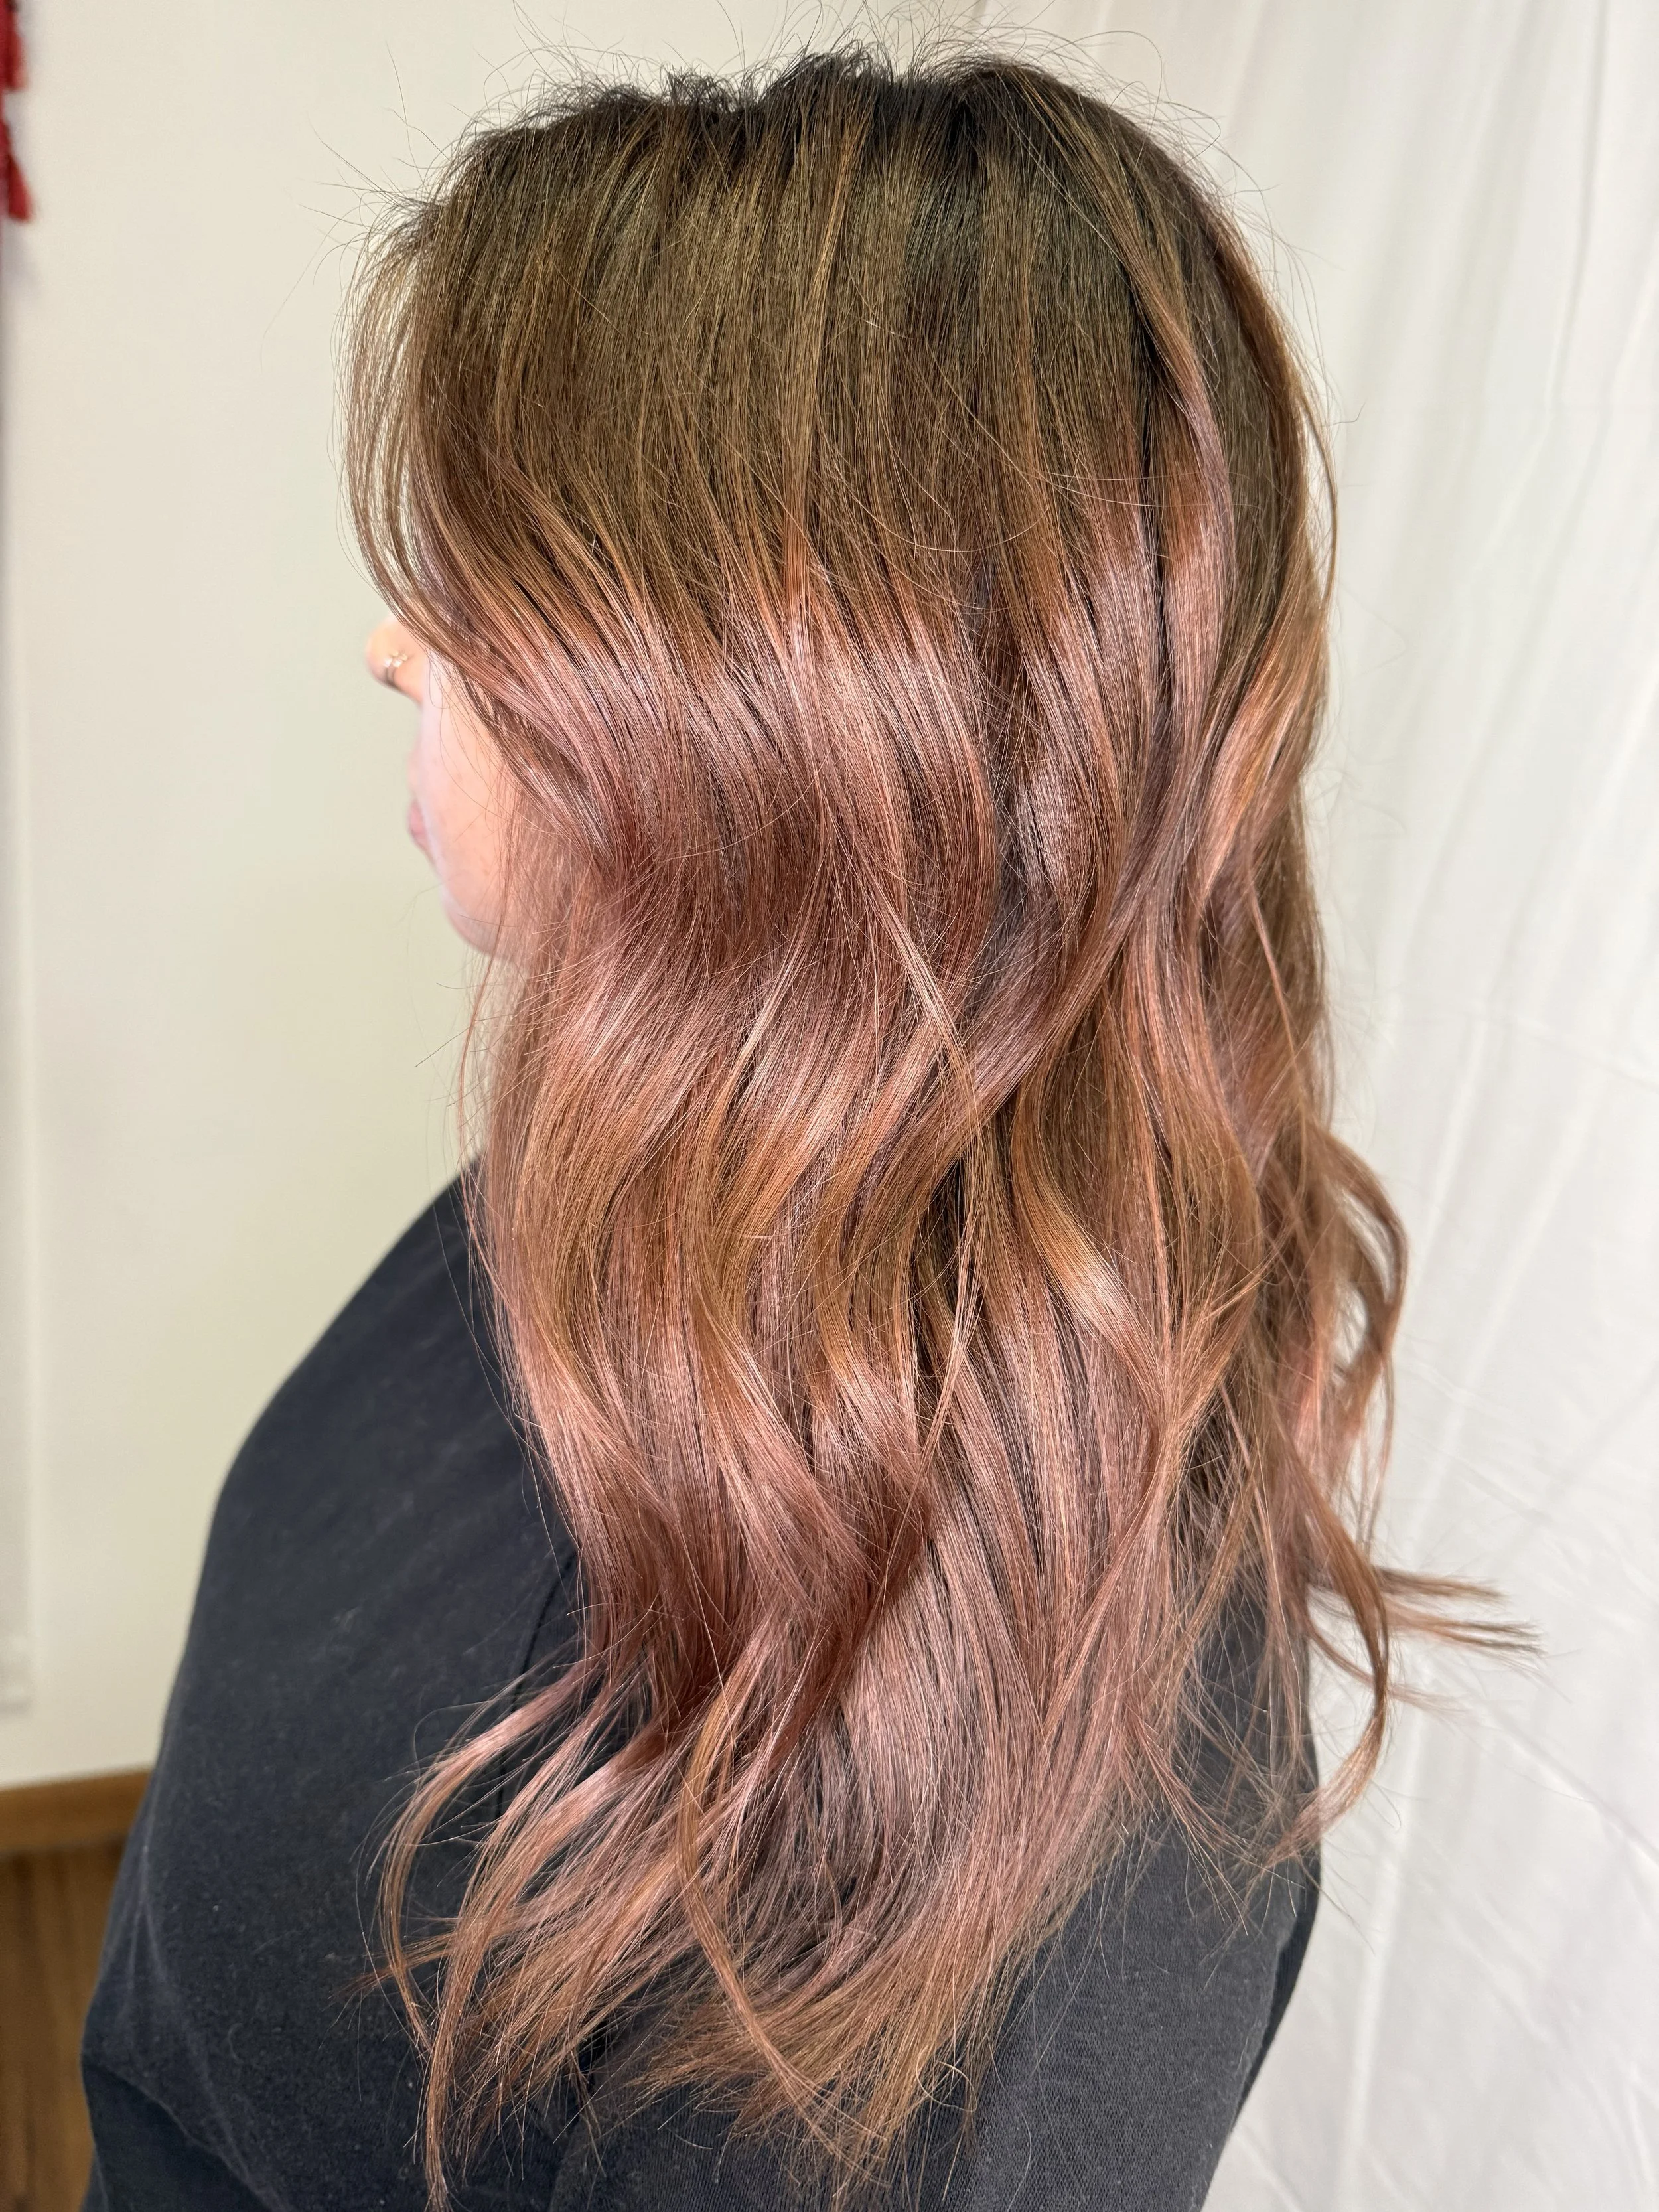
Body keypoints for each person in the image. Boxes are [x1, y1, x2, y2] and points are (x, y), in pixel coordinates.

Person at [79, 42, 1477, 2211]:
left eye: (474, 579)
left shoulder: (1028, 1800)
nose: (385, 646)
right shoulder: (648, 1172)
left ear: (751, 697)